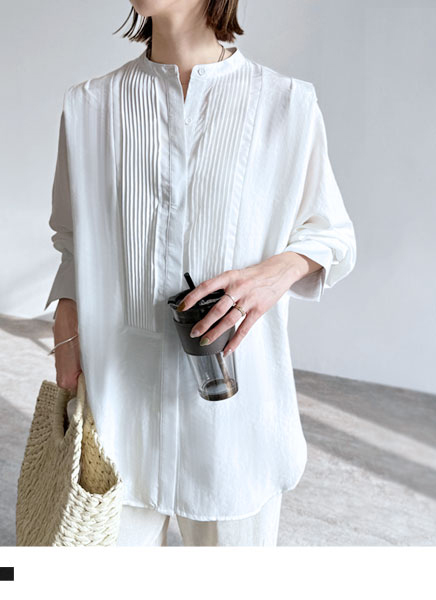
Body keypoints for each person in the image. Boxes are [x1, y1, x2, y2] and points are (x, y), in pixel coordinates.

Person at [45, 0, 357, 546]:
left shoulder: (286, 104)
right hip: (118, 416)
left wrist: (274, 274)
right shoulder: (89, 106)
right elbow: (71, 238)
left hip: (237, 429)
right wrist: (65, 331)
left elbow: (333, 235)